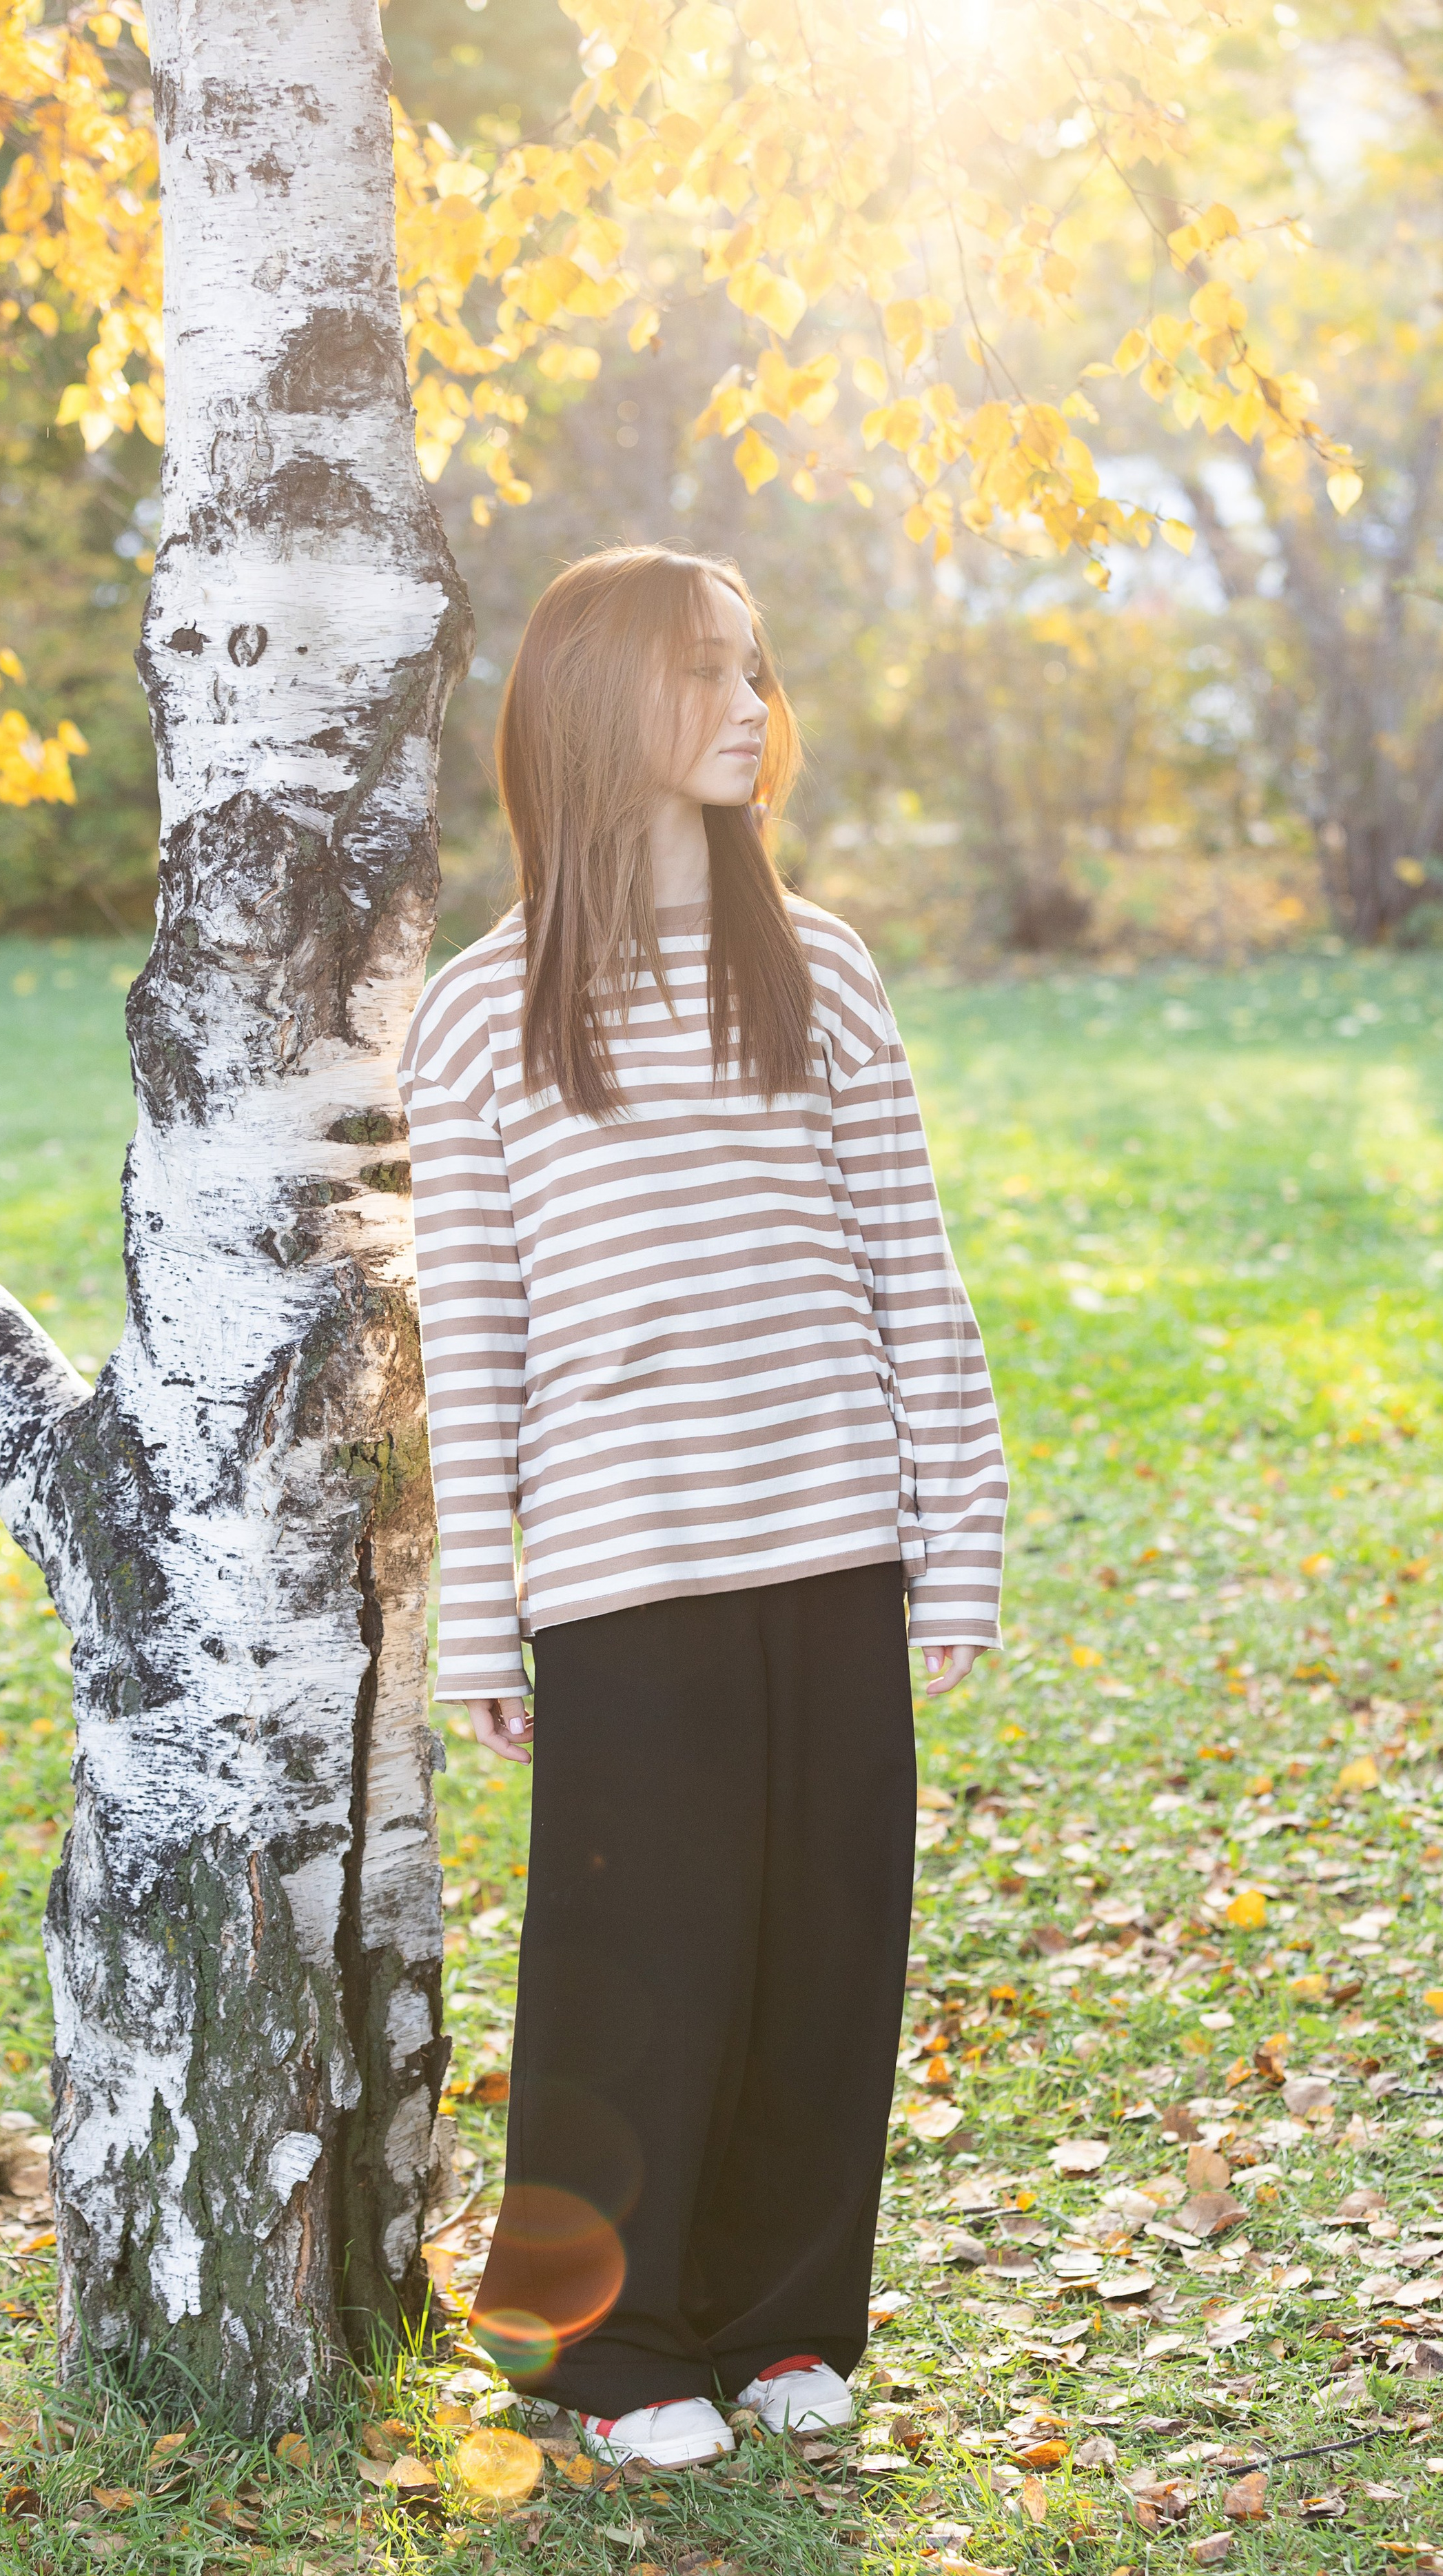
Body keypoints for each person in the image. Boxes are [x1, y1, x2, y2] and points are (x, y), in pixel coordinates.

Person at [396, 545, 1006, 2468]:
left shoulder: (817, 964)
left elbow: (914, 1270)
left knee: (829, 1947)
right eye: (707, 677)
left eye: (759, 671)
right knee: (634, 1975)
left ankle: (786, 2321)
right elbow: (476, 1351)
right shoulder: (487, 1014)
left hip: (833, 1544)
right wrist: (484, 1621)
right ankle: (616, 2347)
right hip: (623, 1578)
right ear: (600, 711)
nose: (753, 709)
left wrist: (957, 1536)